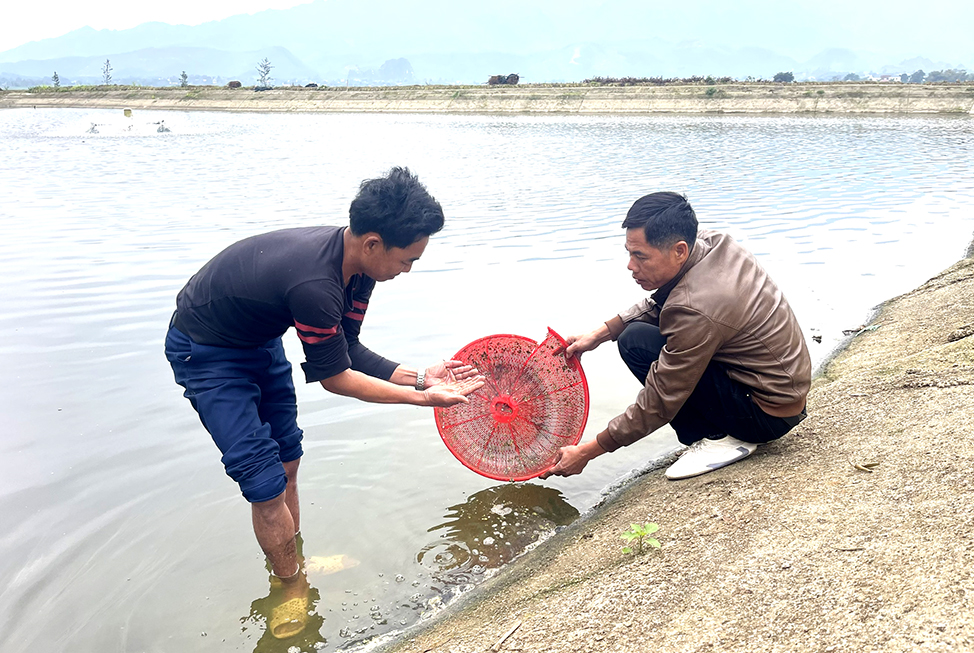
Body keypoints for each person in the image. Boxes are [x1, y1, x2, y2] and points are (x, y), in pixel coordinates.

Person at [164, 167, 483, 637]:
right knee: (263, 480)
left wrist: (421, 378)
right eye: (408, 259)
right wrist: (423, 401)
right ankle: (290, 585)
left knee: (288, 461)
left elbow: (347, 349)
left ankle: (293, 559)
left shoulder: (358, 270)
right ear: (373, 243)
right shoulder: (316, 283)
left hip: (258, 341)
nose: (408, 270)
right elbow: (335, 379)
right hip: (207, 352)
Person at [544, 191, 811, 481]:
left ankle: (718, 439)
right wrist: (601, 333)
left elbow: (661, 399)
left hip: (767, 414)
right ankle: (720, 431)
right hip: (780, 389)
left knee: (636, 344)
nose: (631, 266)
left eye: (640, 256)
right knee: (633, 334)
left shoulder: (696, 308)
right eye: (629, 253)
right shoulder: (713, 243)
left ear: (679, 250)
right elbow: (663, 301)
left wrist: (589, 451)